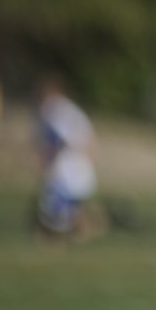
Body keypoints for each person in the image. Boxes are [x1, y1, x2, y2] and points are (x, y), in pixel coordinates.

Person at [32, 72, 102, 242]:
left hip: (70, 168)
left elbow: (59, 141)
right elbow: (88, 139)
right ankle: (87, 227)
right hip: (75, 167)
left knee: (58, 207)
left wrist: (46, 158)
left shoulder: (56, 111)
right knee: (67, 207)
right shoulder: (68, 110)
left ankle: (57, 235)